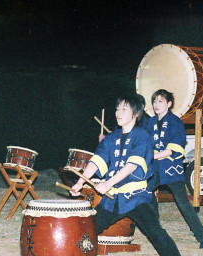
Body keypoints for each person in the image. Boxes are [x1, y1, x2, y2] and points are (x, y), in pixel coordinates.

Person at [71, 93, 181, 256]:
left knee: (156, 233)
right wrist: (80, 182)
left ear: (135, 114)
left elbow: (132, 165)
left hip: (137, 197)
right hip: (113, 198)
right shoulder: (111, 137)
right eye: (117, 109)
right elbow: (97, 160)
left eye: (124, 109)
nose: (118, 113)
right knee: (88, 230)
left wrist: (108, 183)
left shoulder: (142, 136)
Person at [143, 89, 203, 249]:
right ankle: (157, 233)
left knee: (183, 203)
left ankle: (202, 238)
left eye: (160, 101)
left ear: (169, 104)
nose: (156, 105)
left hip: (170, 168)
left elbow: (173, 149)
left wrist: (151, 156)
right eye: (154, 102)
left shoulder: (175, 122)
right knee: (146, 195)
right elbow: (137, 137)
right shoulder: (150, 122)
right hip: (153, 168)